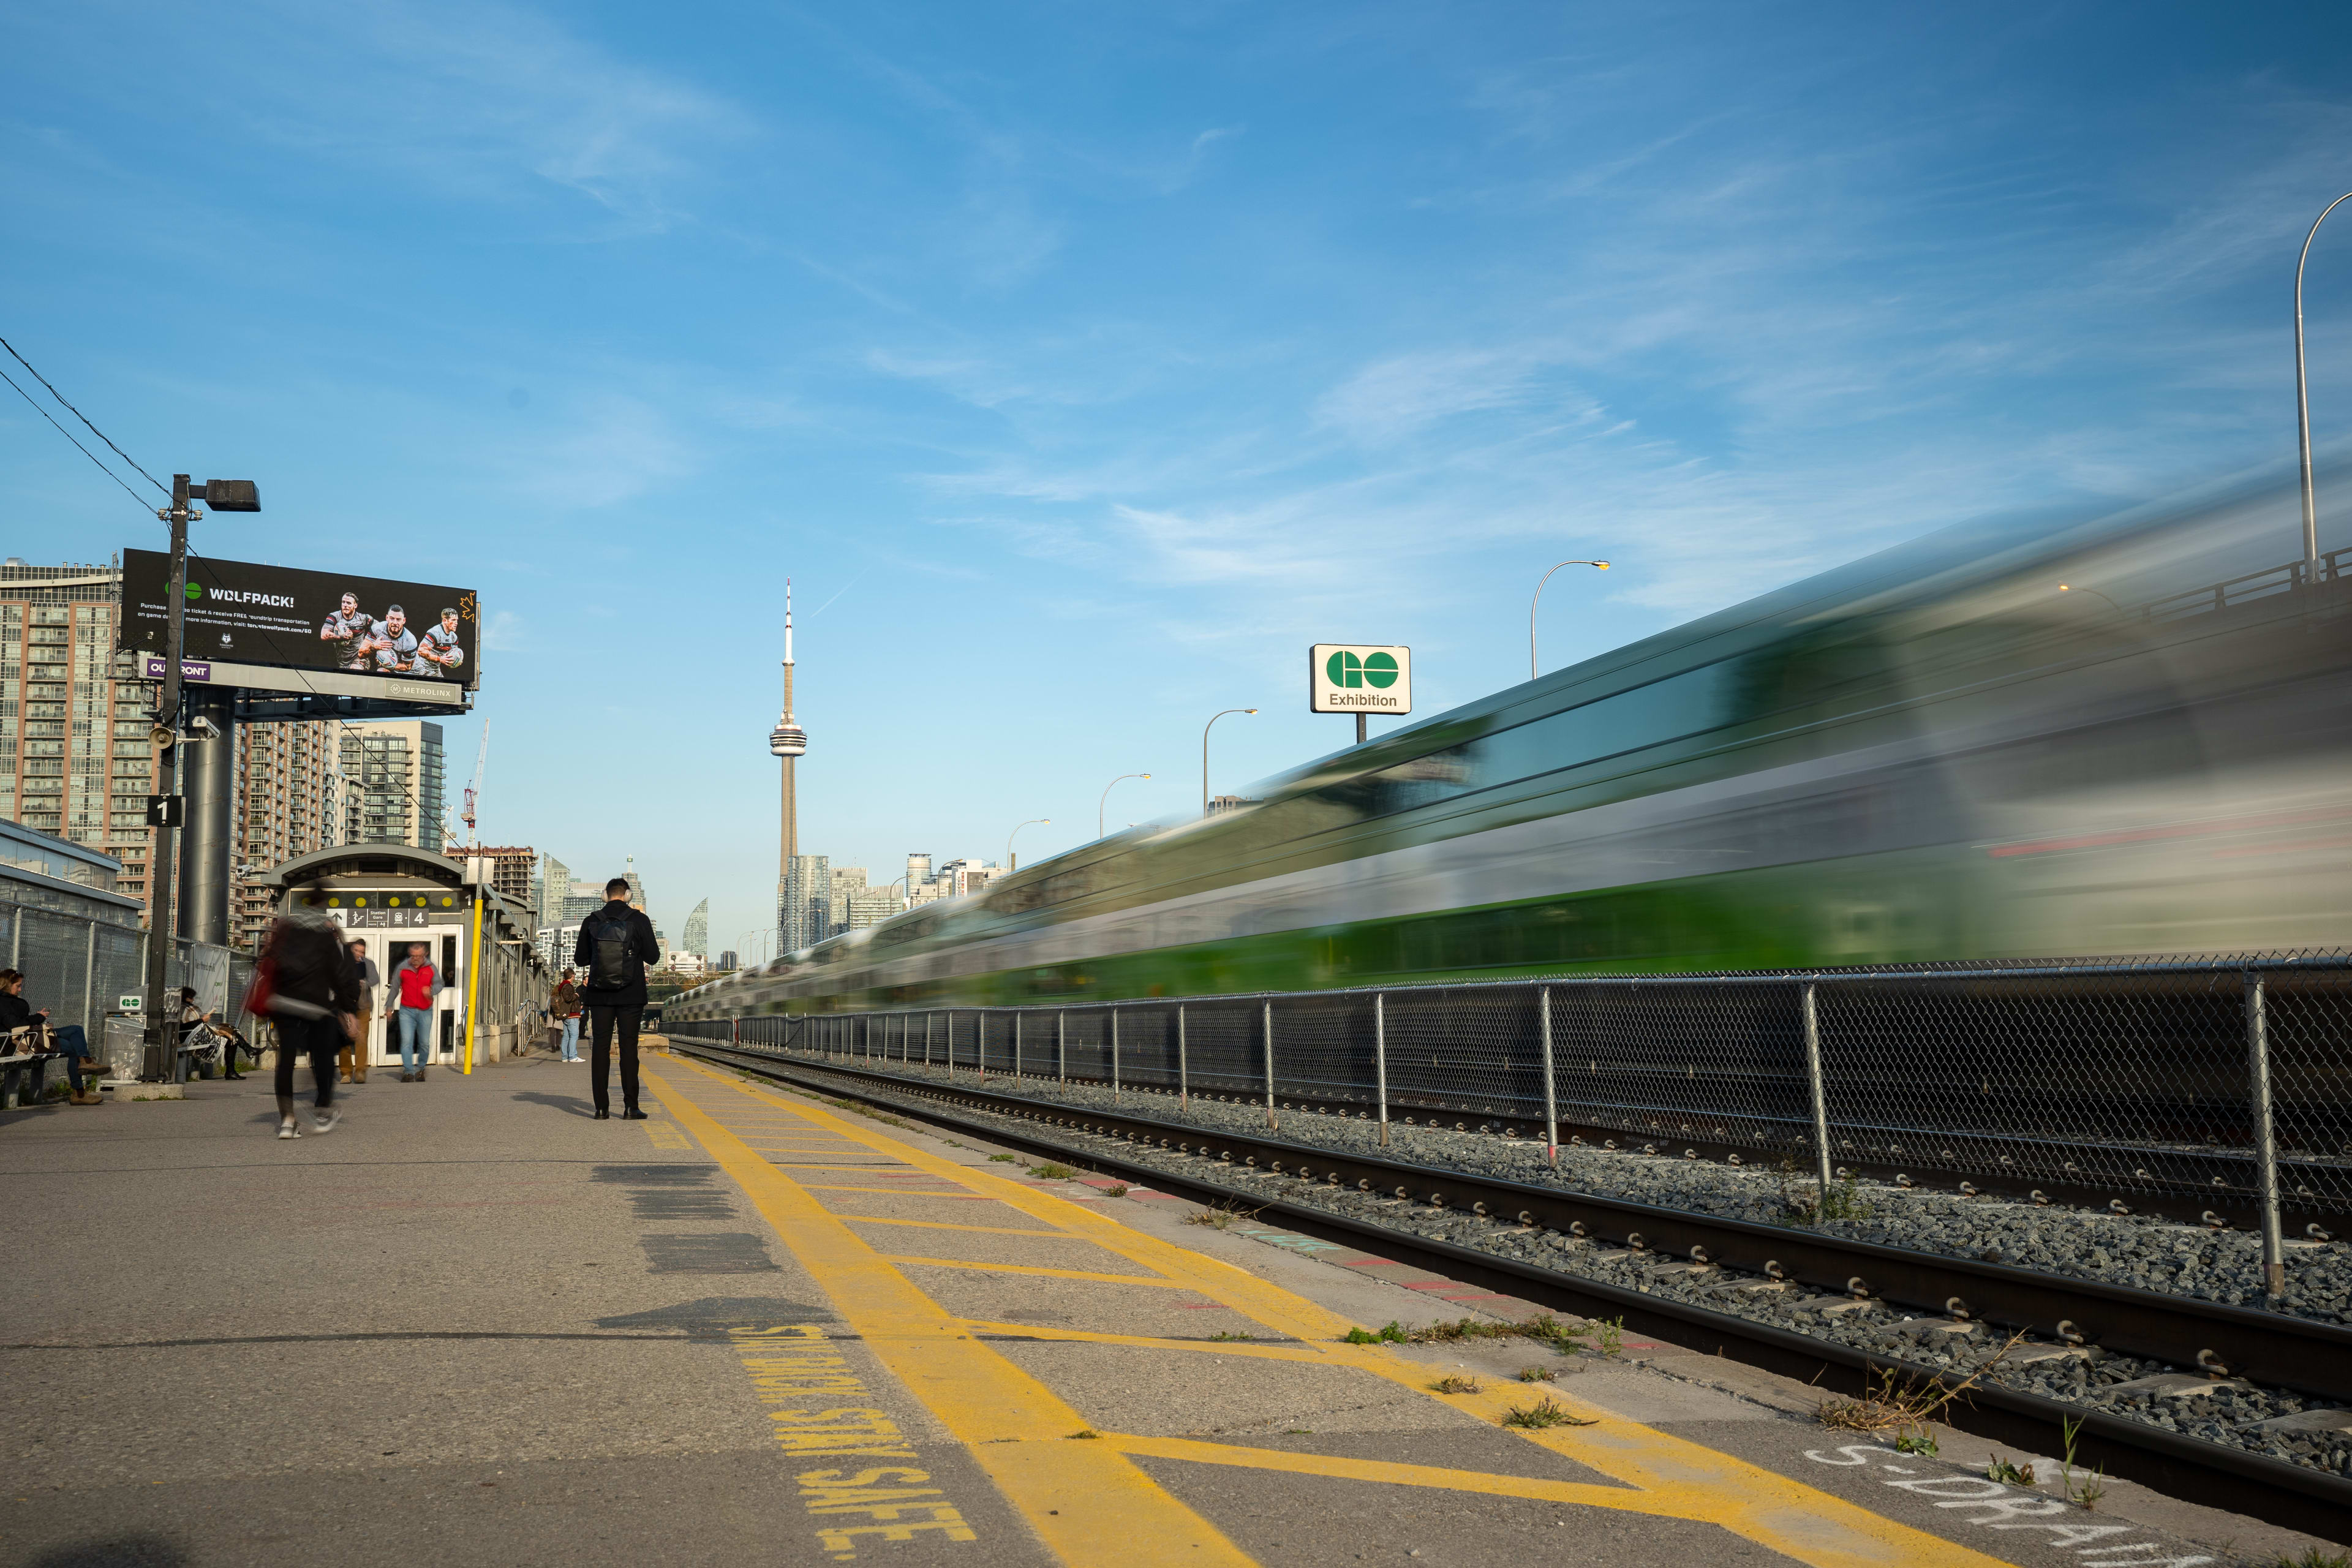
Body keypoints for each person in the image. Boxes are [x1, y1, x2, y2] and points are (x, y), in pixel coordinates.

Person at [257, 909, 362, 1139]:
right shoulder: (324, 944)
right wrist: (349, 1011)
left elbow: (265, 965)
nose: (330, 932)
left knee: (288, 1061)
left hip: (285, 1004)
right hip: (318, 1008)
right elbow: (341, 979)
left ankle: (288, 1120)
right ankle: (321, 1110)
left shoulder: (286, 939)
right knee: (322, 1056)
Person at [574, 878, 659, 1120]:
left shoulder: (592, 920)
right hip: (631, 994)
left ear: (605, 895)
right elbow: (653, 957)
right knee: (628, 1048)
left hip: (600, 994)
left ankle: (601, 1108)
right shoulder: (639, 920)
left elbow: (581, 959)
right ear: (628, 896)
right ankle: (631, 1107)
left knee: (600, 1048)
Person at [0, 968, 99, 1105]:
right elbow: (15, 1025)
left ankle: (85, 1064)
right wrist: (38, 1017)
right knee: (74, 1046)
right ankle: (80, 1087)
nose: (20, 990)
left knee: (76, 1030)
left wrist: (36, 1017)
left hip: (29, 1037)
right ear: (7, 985)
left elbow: (18, 1023)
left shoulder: (9, 1001)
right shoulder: (3, 1003)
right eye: (18, 986)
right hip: (17, 1044)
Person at [391, 941, 443, 1081]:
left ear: (425, 954)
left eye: (419, 956)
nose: (416, 959)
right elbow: (395, 987)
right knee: (407, 1041)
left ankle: (420, 1069)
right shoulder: (402, 968)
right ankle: (408, 1071)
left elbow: (440, 984)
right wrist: (389, 1005)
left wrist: (431, 991)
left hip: (426, 1010)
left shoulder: (431, 968)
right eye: (413, 956)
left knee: (424, 1043)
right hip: (406, 1010)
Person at [341, 938, 380, 1084]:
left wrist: (365, 983)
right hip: (345, 1007)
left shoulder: (368, 964)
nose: (359, 954)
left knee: (361, 1039)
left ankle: (360, 1072)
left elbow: (375, 979)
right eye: (356, 951)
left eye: (362, 952)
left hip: (363, 1006)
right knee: (344, 1041)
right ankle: (346, 1073)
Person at [414, 608, 466, 679]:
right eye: (453, 620)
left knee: (445, 688)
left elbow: (452, 654)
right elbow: (421, 651)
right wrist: (440, 659)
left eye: (457, 620)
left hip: (435, 670)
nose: (456, 623)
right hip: (421, 669)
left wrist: (457, 660)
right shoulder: (435, 633)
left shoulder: (454, 637)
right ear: (444, 621)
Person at [552, 968, 582, 1063]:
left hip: (567, 1014)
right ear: (572, 975)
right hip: (571, 1014)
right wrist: (576, 995)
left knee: (567, 1036)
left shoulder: (563, 985)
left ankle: (565, 1057)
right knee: (574, 1035)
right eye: (574, 975)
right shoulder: (567, 986)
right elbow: (568, 998)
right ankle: (573, 1056)